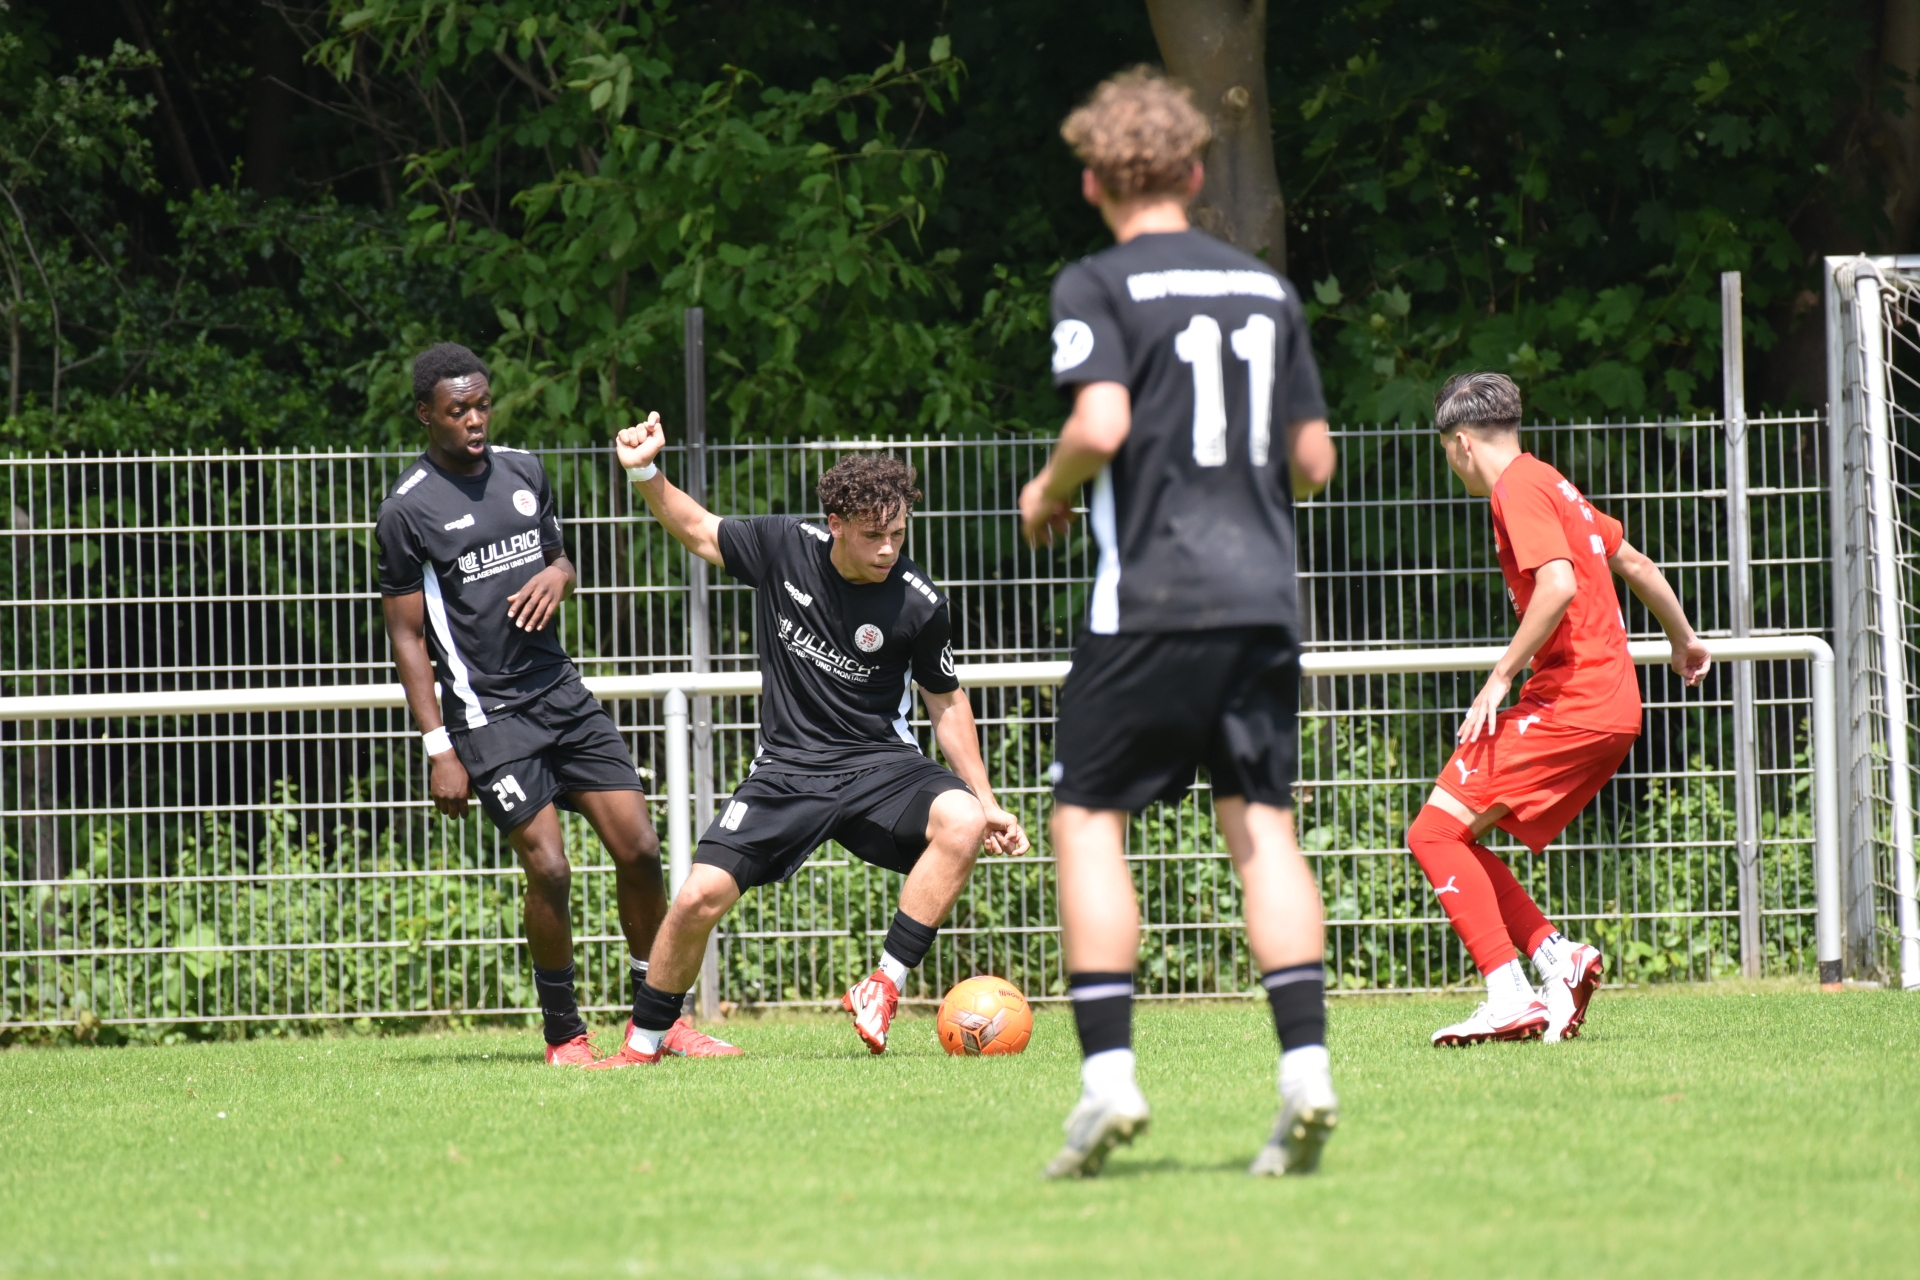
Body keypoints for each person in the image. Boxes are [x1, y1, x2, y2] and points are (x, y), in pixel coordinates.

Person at [1019, 69, 1340, 1180]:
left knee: (1088, 819)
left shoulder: (1095, 283)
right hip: (1263, 602)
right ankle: (1306, 1068)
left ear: (1093, 181)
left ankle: (1109, 1079)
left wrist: (1047, 489)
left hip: (1149, 601)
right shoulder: (1265, 290)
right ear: (1198, 172)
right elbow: (1314, 461)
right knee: (1264, 829)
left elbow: (1101, 421)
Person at [587, 416, 1030, 1068]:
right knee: (697, 897)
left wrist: (986, 798)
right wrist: (646, 471)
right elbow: (697, 528)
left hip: (881, 766)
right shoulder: (783, 546)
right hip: (788, 770)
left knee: (961, 819)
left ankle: (883, 986)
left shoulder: (919, 603)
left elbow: (946, 701)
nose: (888, 549)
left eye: (899, 534)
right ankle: (644, 1044)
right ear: (836, 524)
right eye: (874, 535)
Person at [376, 342, 710, 1067]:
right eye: (457, 410)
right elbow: (406, 636)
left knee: (640, 849)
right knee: (551, 869)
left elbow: (559, 557)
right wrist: (439, 747)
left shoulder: (524, 469)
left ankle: (660, 1021)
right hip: (488, 716)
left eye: (482, 405)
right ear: (426, 414)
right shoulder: (407, 509)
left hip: (561, 693)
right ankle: (565, 1035)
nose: (474, 420)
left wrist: (561, 575)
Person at [1407, 371, 1711, 1047]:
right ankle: (1557, 960)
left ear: (1461, 444)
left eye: (1446, 452)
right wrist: (1684, 639)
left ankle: (1508, 993)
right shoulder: (1552, 482)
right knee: (1451, 832)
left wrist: (1498, 678)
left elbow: (1558, 585)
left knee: (1432, 834)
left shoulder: (1515, 488)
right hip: (1608, 702)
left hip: (1573, 700)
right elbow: (1636, 563)